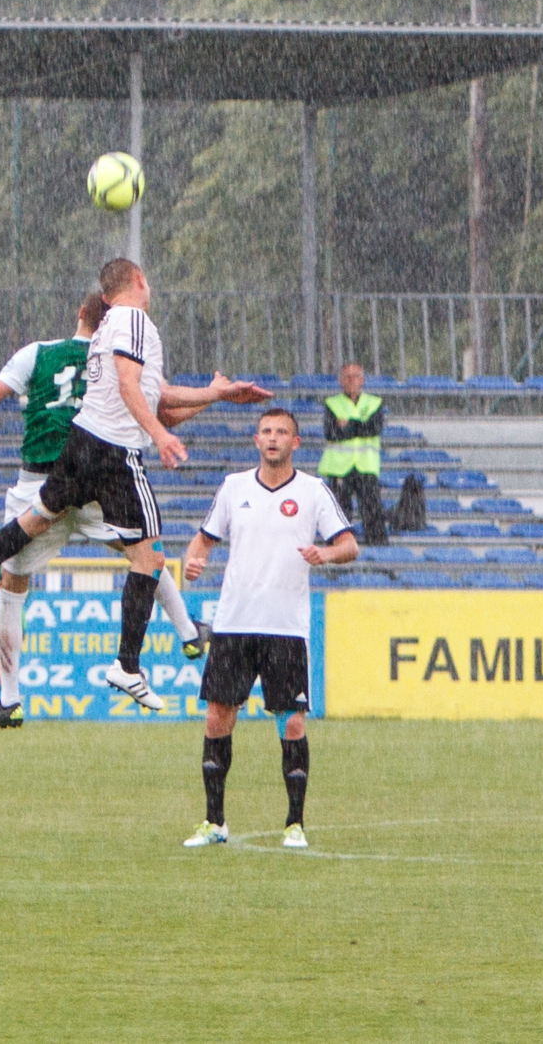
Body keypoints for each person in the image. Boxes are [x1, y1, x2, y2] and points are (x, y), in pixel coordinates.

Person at [0, 292, 259, 730]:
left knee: (13, 583)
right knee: (145, 553)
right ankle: (188, 632)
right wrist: (214, 395)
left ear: (81, 314)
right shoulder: (120, 359)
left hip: (41, 477)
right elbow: (166, 415)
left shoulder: (37, 354)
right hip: (97, 476)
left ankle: (8, 698)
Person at [180, 408, 357, 850]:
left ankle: (294, 823)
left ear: (296, 443)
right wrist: (193, 559)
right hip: (235, 623)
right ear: (255, 440)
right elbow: (203, 539)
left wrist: (326, 554)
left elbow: (349, 545)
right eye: (266, 432)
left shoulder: (313, 491)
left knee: (292, 722)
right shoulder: (234, 487)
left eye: (281, 432)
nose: (273, 438)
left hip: (285, 627)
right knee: (219, 718)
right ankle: (214, 821)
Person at [319, 362, 389, 546]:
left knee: (372, 509)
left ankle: (379, 550)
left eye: (355, 376)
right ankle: (337, 549)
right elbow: (332, 433)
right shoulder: (332, 403)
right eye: (347, 377)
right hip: (340, 467)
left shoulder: (374, 402)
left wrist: (348, 425)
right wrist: (359, 425)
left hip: (366, 466)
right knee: (339, 512)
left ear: (363, 380)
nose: (351, 380)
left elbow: (374, 429)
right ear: (341, 381)